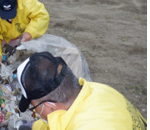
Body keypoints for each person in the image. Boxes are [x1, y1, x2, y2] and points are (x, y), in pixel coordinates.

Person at [17, 51, 147, 130]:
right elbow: (63, 118)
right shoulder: (98, 89)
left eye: (34, 109)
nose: (36, 114)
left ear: (50, 106)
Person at [0, 0, 49, 67]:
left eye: (11, 12)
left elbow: (42, 16)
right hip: (7, 36)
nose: (9, 18)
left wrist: (30, 32)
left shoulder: (28, 1)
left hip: (26, 31)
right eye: (5, 14)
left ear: (17, 3)